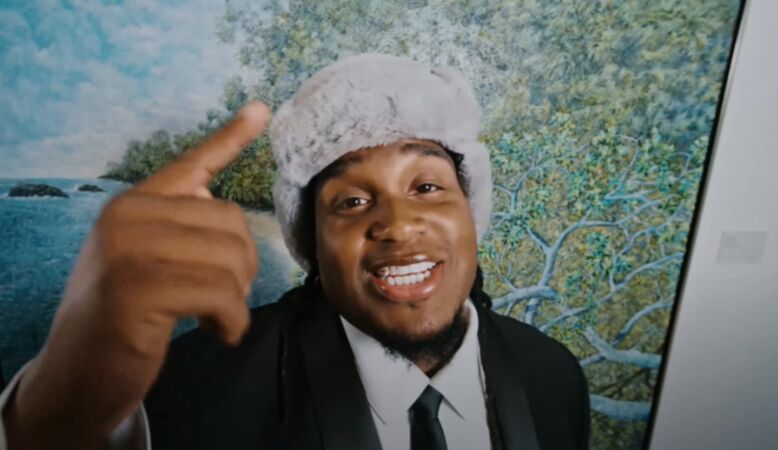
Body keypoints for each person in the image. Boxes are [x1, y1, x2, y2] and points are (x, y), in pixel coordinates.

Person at [0, 54, 589, 450]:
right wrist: (54, 411)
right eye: (352, 202)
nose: (397, 225)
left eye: (427, 187)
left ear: (471, 207)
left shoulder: (552, 375)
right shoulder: (192, 389)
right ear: (311, 243)